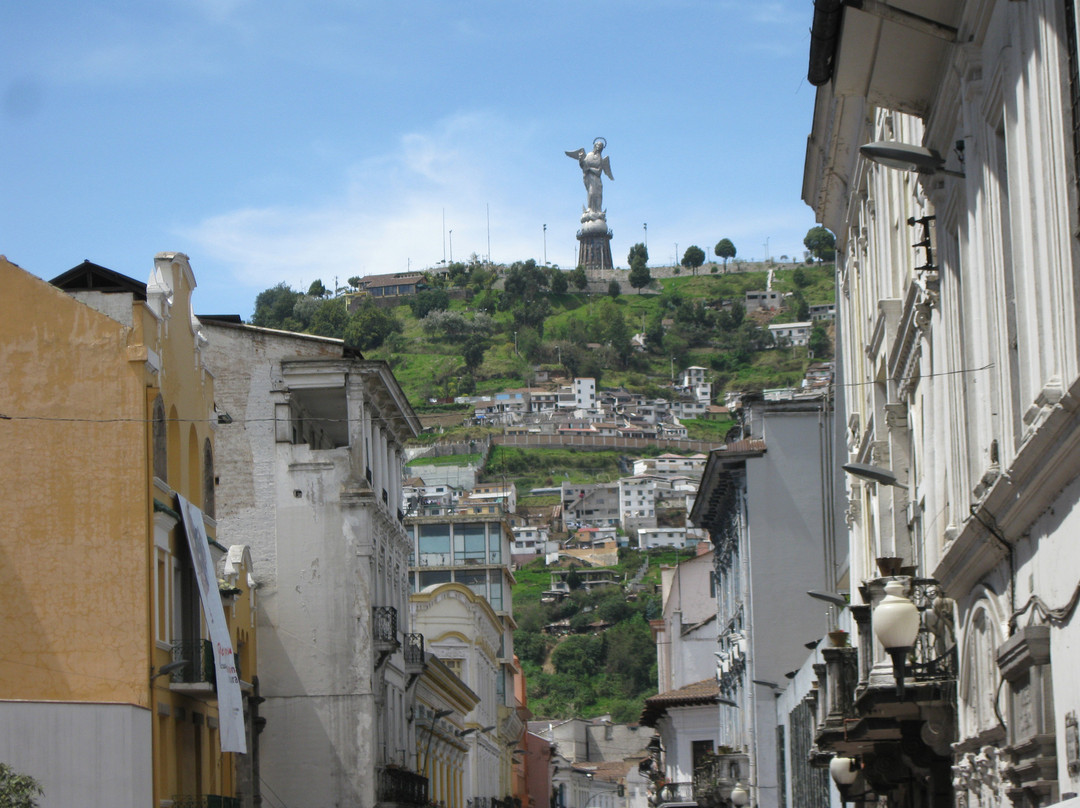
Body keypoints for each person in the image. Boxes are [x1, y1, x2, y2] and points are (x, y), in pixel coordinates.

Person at [566, 138, 613, 217]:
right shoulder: (589, 155)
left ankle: (598, 210)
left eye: (600, 146)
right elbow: (583, 166)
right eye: (597, 145)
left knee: (598, 195)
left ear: (602, 148)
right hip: (589, 178)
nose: (599, 147)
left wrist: (590, 169)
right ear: (595, 145)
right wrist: (580, 159)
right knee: (591, 193)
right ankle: (590, 209)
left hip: (597, 180)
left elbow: (599, 172)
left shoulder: (601, 159)